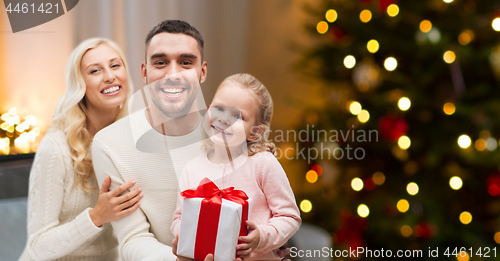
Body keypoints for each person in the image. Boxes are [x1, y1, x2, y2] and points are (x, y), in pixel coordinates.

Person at [92, 20, 292, 261]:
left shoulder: (228, 134)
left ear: (202, 72)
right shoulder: (109, 144)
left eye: (186, 62)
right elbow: (132, 238)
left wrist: (269, 241)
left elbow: (276, 209)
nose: (173, 74)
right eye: (160, 62)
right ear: (145, 72)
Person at [18, 38, 142, 261]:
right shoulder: (57, 146)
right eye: (95, 70)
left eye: (115, 65)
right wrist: (96, 216)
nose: (109, 76)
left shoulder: (132, 137)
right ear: (80, 84)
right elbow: (37, 247)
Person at [172, 73, 301, 260]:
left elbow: (290, 217)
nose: (224, 119)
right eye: (218, 108)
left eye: (237, 116)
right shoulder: (191, 169)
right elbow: (179, 219)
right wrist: (183, 236)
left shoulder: (263, 164)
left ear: (255, 132)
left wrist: (262, 236)